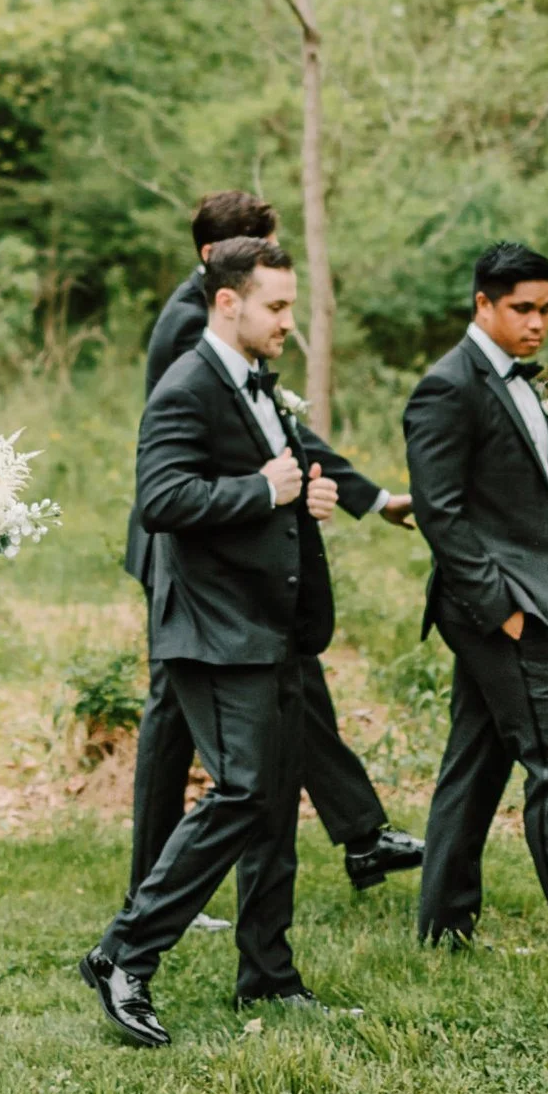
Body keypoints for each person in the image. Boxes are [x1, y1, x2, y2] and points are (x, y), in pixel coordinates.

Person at [83, 237, 367, 1046]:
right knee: (242, 789)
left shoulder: (254, 384)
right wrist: (261, 489)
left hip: (270, 623)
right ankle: (125, 953)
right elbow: (163, 499)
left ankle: (268, 976)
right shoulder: (186, 386)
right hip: (212, 630)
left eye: (290, 305)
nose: (288, 321)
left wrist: (298, 497)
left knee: (274, 801)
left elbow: (262, 483)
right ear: (227, 302)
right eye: (276, 307)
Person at [126, 192, 423, 905]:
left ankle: (357, 832)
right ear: (221, 278)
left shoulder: (247, 334)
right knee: (182, 732)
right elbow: (174, 475)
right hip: (196, 563)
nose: (284, 317)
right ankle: (153, 895)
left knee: (287, 695)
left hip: (249, 553)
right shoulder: (187, 335)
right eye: (261, 256)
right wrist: (266, 492)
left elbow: (282, 437)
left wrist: (364, 495)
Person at [404, 242, 548, 975]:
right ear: (483, 305)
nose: (537, 323)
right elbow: (441, 512)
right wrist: (505, 609)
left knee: (476, 760)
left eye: (546, 309)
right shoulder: (446, 387)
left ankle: (441, 921)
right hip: (495, 609)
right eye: (522, 309)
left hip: (523, 600)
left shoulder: (520, 380)